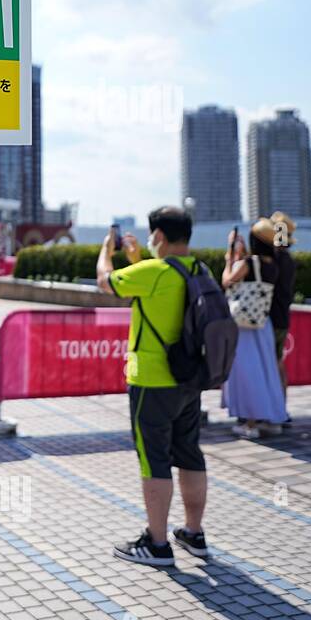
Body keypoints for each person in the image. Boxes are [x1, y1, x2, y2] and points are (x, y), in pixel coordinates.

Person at [97, 206, 209, 565]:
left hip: (151, 381)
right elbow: (161, 291)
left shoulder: (154, 272)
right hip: (190, 380)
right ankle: (193, 533)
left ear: (158, 235)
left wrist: (106, 250)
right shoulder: (199, 269)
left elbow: (106, 281)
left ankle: (157, 544)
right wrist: (138, 258)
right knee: (189, 453)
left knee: (154, 459)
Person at [220, 221, 288, 438]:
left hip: (245, 325)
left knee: (249, 373)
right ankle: (271, 418)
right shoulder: (273, 264)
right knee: (266, 371)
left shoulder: (250, 263)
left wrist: (230, 257)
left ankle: (251, 423)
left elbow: (226, 281)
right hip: (262, 323)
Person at [268, 212, 297, 409]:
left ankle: (277, 408)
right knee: (278, 362)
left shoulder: (275, 259)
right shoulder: (289, 260)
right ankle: (281, 408)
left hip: (272, 318)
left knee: (274, 363)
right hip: (283, 317)